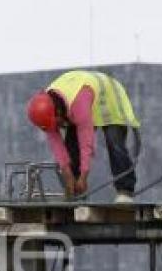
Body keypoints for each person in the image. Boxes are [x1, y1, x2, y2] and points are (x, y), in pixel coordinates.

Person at [26, 70, 141, 202]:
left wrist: (84, 176)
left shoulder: (78, 104)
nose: (58, 127)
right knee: (71, 148)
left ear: (58, 111)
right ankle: (75, 192)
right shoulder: (46, 107)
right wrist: (68, 175)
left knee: (114, 143)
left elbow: (86, 143)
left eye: (58, 123)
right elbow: (57, 145)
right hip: (79, 101)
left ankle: (125, 190)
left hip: (109, 96)